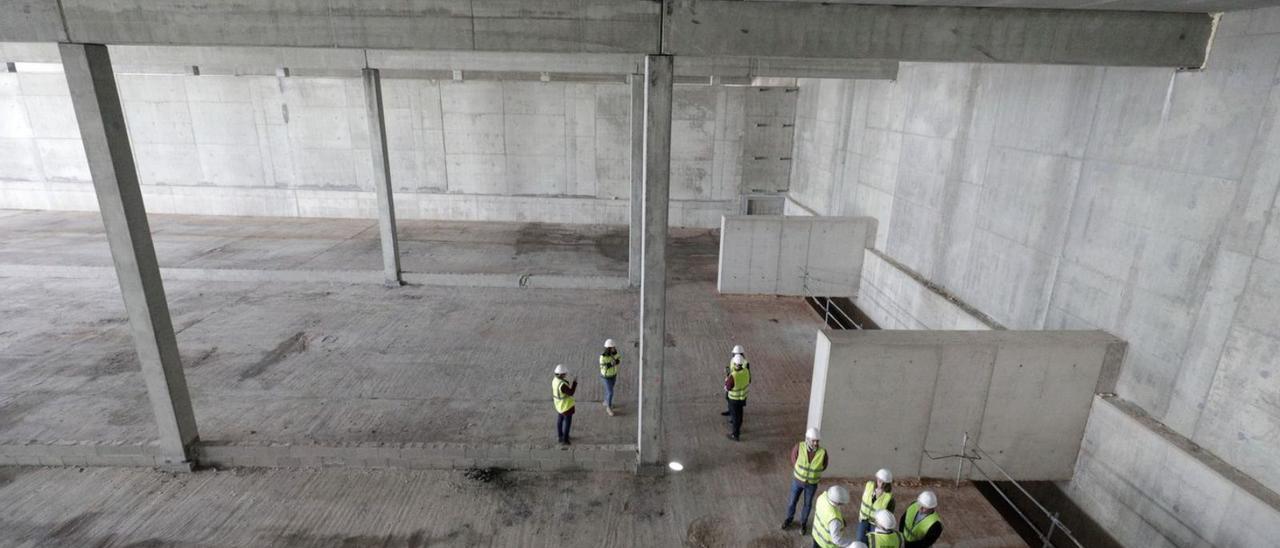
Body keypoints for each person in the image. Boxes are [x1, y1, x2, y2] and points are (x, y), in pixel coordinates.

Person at [783, 427, 829, 535]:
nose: (816, 443)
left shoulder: (823, 452)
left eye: (817, 441)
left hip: (811, 484)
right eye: (813, 440)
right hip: (797, 481)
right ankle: (789, 519)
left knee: (807, 505)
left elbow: (824, 465)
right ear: (807, 439)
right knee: (792, 502)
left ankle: (803, 523)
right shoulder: (799, 447)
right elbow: (793, 459)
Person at [857, 468, 895, 543]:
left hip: (876, 523)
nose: (881, 484)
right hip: (864, 519)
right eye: (880, 481)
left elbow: (888, 515)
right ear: (876, 478)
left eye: (884, 483)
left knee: (873, 542)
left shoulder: (889, 498)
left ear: (888, 483)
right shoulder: (869, 485)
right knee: (860, 539)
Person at [724, 355, 750, 441]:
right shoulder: (746, 371)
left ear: (734, 364)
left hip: (733, 399)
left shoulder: (733, 376)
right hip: (742, 398)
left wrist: (727, 378)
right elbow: (748, 380)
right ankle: (738, 429)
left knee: (735, 417)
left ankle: (735, 435)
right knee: (739, 415)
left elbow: (727, 387)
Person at [720, 344, 750, 417]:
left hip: (737, 386)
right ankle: (731, 411)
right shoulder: (733, 360)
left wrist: (731, 379)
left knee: (736, 406)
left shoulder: (744, 363)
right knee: (729, 400)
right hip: (733, 383)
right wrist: (728, 374)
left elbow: (743, 374)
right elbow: (733, 371)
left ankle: (734, 417)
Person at [552, 364, 577, 446]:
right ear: (561, 374)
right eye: (565, 373)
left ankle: (560, 436)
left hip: (559, 405)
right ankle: (565, 439)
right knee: (567, 423)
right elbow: (571, 392)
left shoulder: (555, 380)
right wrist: (574, 383)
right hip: (566, 406)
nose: (566, 375)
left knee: (560, 421)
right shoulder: (562, 385)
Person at [599, 338, 620, 416]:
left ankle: (606, 401)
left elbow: (619, 358)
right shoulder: (602, 357)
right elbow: (603, 367)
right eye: (612, 347)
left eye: (614, 347)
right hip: (606, 377)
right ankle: (608, 407)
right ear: (608, 348)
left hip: (613, 375)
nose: (614, 348)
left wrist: (616, 361)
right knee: (610, 392)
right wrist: (611, 364)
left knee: (609, 390)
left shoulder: (615, 353)